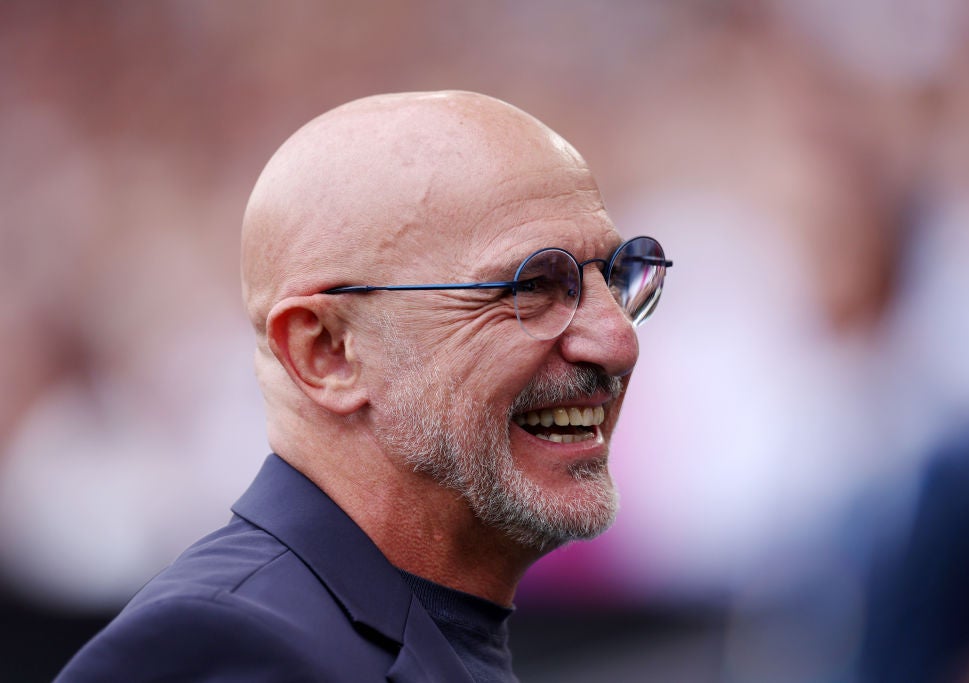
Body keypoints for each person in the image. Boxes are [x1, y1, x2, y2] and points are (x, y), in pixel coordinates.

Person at [55, 90, 672, 682]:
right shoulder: (229, 648)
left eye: (616, 276)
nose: (617, 342)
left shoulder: (414, 624)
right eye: (531, 286)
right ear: (326, 352)